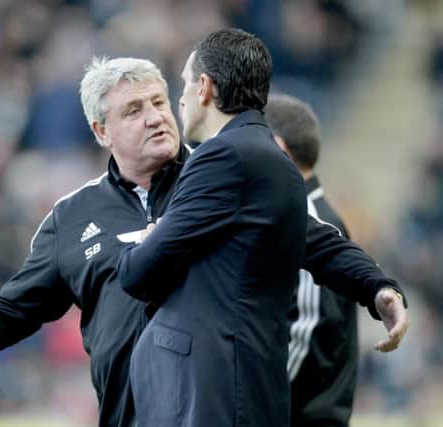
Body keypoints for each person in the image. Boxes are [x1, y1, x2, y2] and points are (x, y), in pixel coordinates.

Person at [0, 55, 408, 427]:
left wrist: (377, 287)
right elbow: (13, 309)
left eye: (160, 100)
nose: (156, 116)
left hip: (218, 411)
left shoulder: (222, 174)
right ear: (100, 131)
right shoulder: (73, 217)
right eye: (133, 110)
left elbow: (314, 238)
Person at [116, 30, 407, 427]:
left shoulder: (222, 157)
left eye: (183, 83)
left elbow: (139, 273)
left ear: (204, 87)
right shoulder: (269, 159)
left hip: (212, 393)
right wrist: (378, 286)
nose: (177, 99)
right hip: (239, 389)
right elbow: (318, 241)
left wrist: (144, 242)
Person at [265, 94, 358, 427]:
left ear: (278, 148)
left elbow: (305, 328)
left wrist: (248, 397)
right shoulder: (297, 214)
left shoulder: (307, 217)